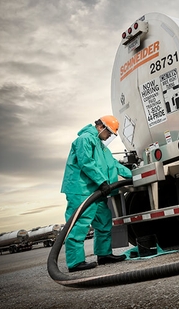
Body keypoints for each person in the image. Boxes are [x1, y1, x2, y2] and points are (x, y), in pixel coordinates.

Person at [61, 115, 132, 272]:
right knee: (79, 224)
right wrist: (102, 181)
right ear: (101, 127)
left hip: (97, 190)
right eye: (109, 133)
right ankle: (75, 262)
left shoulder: (102, 148)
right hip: (81, 190)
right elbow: (86, 162)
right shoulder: (85, 139)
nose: (109, 137)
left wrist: (133, 175)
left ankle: (104, 254)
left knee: (103, 221)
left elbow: (114, 165)